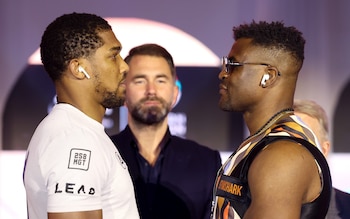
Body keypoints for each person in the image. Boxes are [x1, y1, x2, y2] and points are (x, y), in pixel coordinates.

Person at [23, 12, 139, 219]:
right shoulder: (75, 140)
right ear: (79, 69)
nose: (124, 66)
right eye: (113, 56)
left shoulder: (77, 131)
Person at [211, 21, 332, 219]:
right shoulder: (263, 142)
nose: (223, 74)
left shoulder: (283, 156)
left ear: (268, 76)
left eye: (232, 65)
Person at [110, 43, 222, 219]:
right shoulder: (102, 152)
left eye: (160, 80)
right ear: (123, 92)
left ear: (175, 93)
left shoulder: (207, 162)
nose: (151, 91)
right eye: (140, 81)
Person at [294, 99, 350, 219]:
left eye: (304, 140)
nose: (293, 150)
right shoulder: (251, 210)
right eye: (285, 141)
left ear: (324, 150)